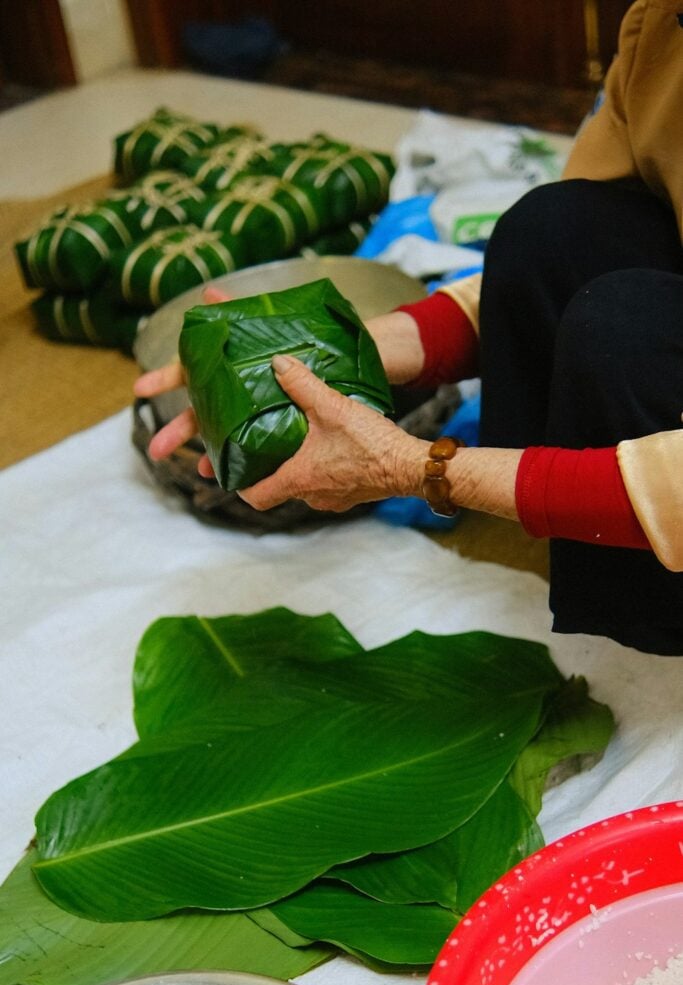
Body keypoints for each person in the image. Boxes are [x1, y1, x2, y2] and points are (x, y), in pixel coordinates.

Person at [135, 0, 683, 656]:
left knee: (620, 325)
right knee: (552, 228)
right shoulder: (660, 25)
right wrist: (330, 351)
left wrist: (418, 468)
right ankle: (620, 579)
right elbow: (581, 253)